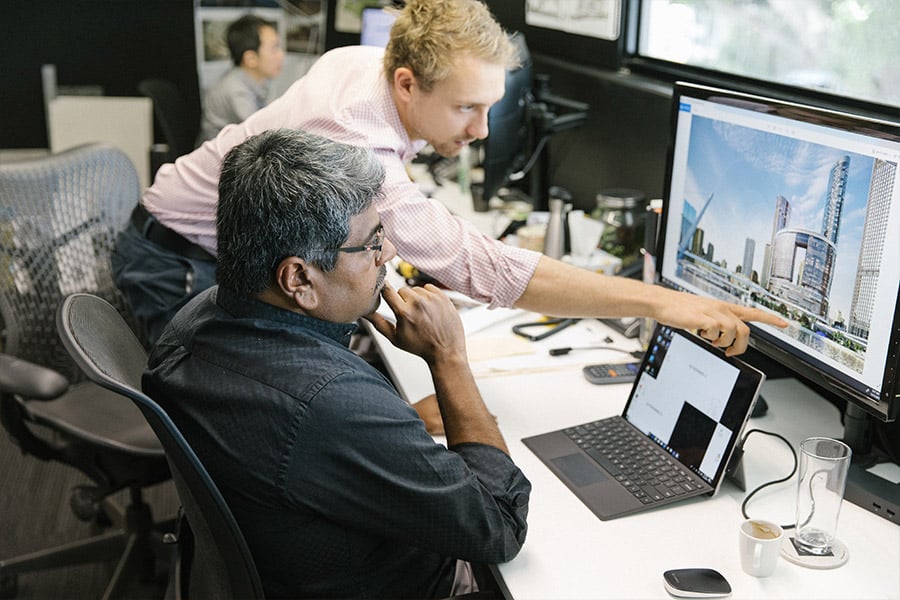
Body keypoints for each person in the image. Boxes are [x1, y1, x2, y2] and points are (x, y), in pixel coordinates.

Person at [113, 0, 785, 350]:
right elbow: (481, 266)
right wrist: (661, 302)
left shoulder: (364, 60)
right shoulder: (356, 144)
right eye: (467, 107)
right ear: (406, 82)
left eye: (490, 106)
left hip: (211, 247)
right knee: (216, 434)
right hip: (174, 257)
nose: (480, 131)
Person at [142, 128, 530, 599]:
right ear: (298, 278)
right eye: (371, 243)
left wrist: (389, 429)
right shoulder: (331, 404)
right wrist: (449, 358)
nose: (387, 254)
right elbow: (500, 526)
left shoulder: (194, 318)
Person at [198, 14, 284, 142]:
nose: (281, 55)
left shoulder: (256, 81)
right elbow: (261, 135)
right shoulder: (236, 90)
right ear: (251, 58)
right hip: (217, 159)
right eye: (274, 48)